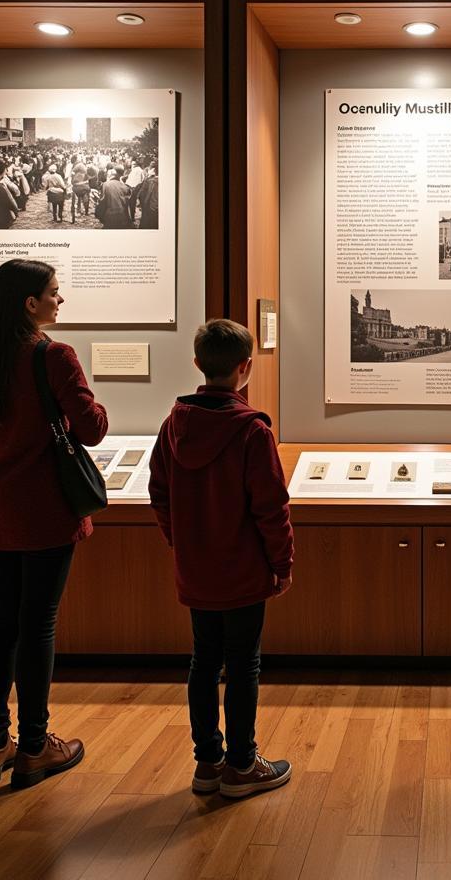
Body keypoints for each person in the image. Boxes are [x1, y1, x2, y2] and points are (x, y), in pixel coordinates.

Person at [0, 259, 108, 789]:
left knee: (4, 622)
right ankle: (36, 746)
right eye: (54, 293)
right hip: (44, 510)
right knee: (38, 623)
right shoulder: (54, 356)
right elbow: (91, 430)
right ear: (30, 303)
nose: (60, 301)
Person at [148, 319, 294, 799]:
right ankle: (241, 764)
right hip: (244, 570)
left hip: (197, 568)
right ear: (245, 368)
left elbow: (160, 492)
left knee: (203, 662)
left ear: (197, 365)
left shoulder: (175, 424)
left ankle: (207, 763)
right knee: (243, 665)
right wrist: (282, 563)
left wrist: (180, 542)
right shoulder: (251, 431)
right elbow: (270, 507)